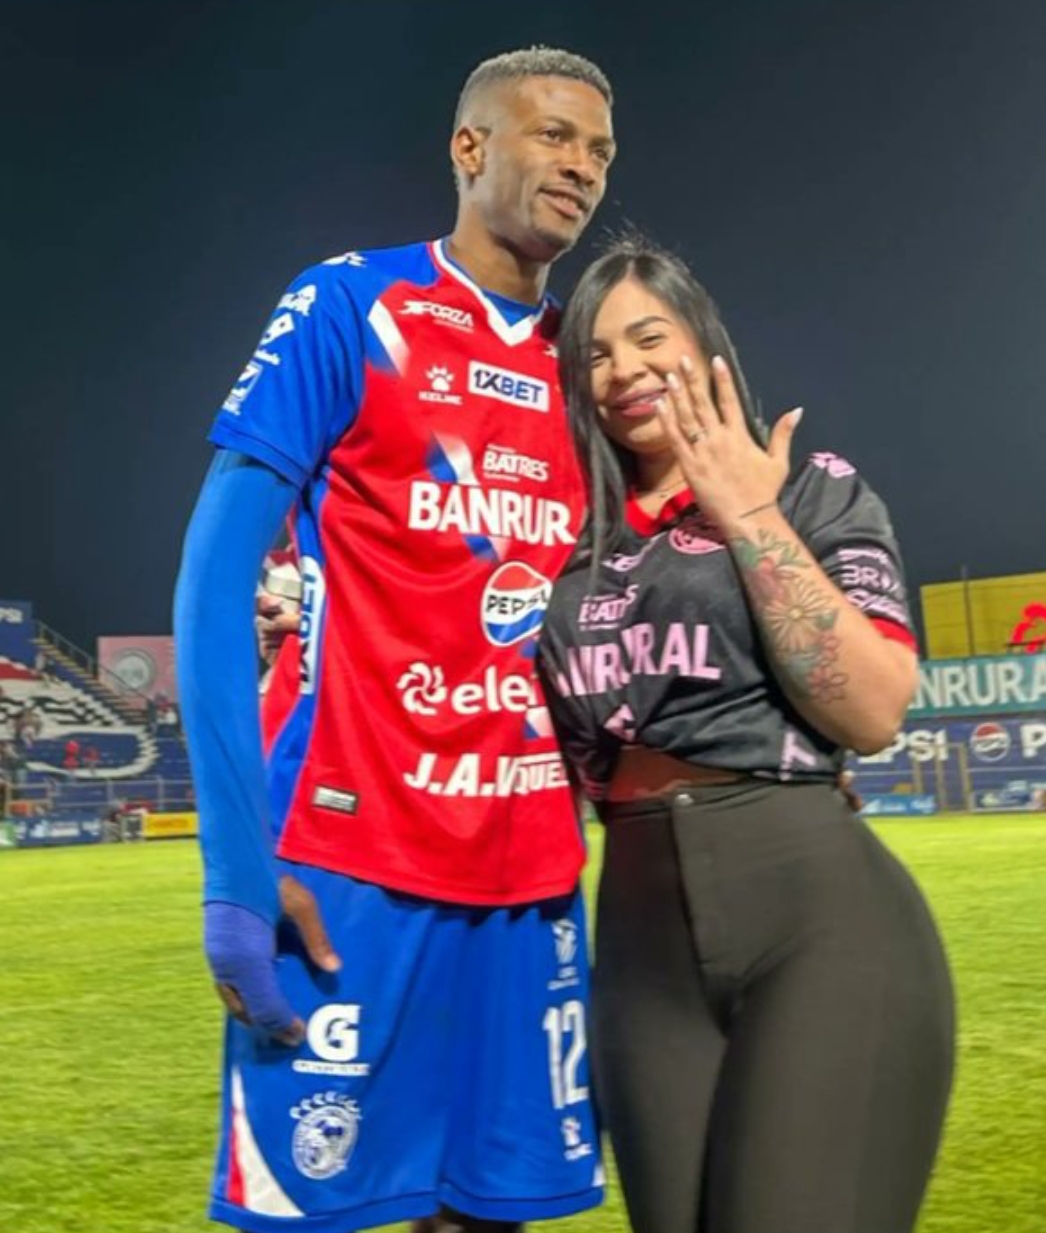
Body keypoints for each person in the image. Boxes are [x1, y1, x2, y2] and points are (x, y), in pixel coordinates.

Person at [174, 47, 615, 1233]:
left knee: (485, 1219)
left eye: (598, 150)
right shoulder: (349, 305)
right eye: (552, 134)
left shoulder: (588, 368)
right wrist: (236, 873)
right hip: (347, 865)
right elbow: (212, 586)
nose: (580, 166)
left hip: (529, 877)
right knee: (314, 1210)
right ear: (469, 147)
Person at [538, 235, 956, 1233]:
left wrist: (747, 514)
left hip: (816, 921)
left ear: (703, 342)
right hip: (639, 943)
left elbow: (872, 709)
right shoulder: (560, 538)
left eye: (649, 337)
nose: (625, 369)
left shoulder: (809, 488)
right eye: (595, 354)